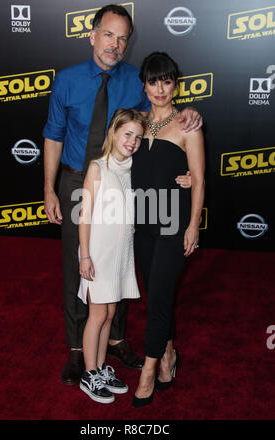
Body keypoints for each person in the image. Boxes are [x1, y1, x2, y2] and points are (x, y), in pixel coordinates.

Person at [43, 4, 202, 385]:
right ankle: (77, 351)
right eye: (109, 35)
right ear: (93, 34)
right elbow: (53, 135)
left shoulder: (136, 79)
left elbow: (162, 110)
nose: (115, 44)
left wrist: (190, 112)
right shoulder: (66, 80)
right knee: (79, 264)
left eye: (123, 38)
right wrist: (48, 188)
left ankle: (116, 339)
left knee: (118, 259)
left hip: (120, 182)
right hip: (77, 180)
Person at [131, 52, 205, 407]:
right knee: (156, 294)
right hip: (140, 223)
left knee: (158, 297)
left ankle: (149, 370)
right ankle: (170, 354)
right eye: (153, 81)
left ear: (176, 83)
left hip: (174, 225)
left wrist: (193, 225)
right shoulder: (134, 121)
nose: (160, 89)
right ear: (144, 84)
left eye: (167, 81)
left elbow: (200, 180)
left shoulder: (188, 125)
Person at [78, 108, 146, 403]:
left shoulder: (131, 168)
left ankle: (102, 367)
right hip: (97, 253)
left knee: (110, 312)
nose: (132, 141)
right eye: (127, 133)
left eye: (139, 137)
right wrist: (85, 256)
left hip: (120, 252)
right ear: (113, 133)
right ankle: (88, 373)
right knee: (97, 314)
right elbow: (84, 216)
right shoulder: (98, 167)